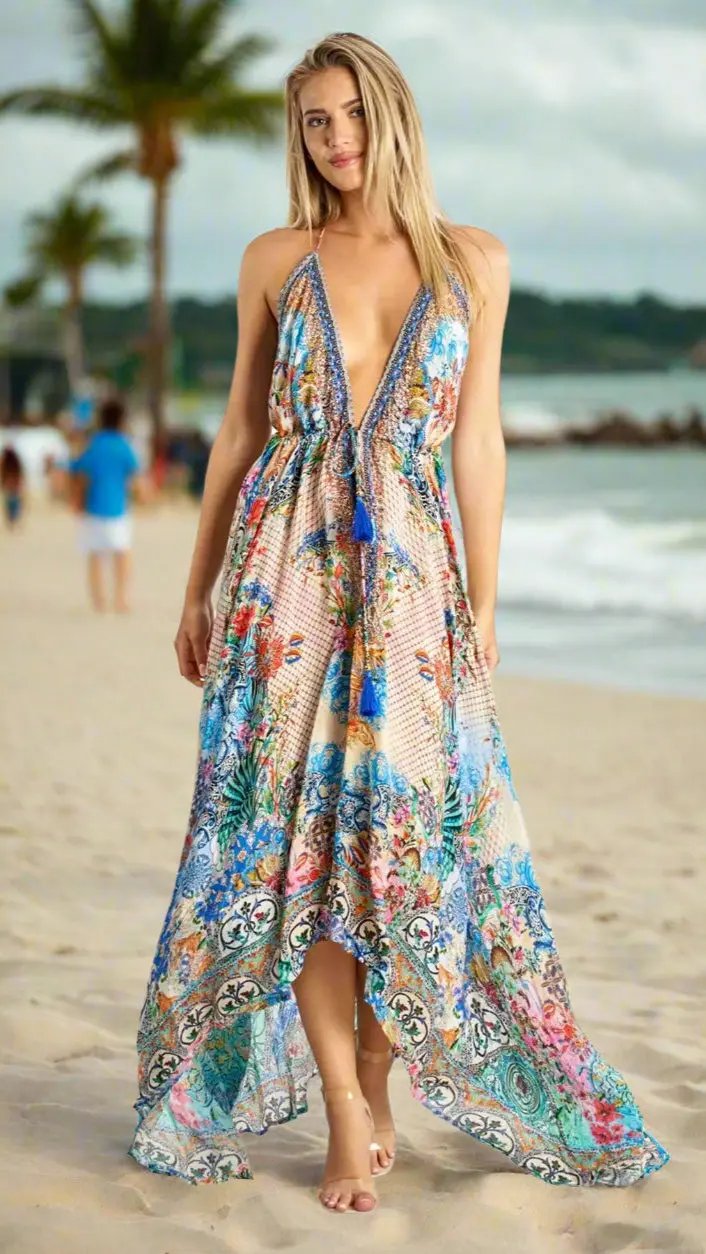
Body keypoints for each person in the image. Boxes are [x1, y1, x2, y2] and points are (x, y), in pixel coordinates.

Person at [128, 32, 669, 1210]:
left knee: (402, 854)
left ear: (393, 118)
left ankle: (381, 1074)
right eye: (314, 123)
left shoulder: (473, 260)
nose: (335, 143)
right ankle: (339, 1107)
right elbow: (238, 431)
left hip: (416, 585)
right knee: (294, 854)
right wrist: (198, 582)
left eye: (350, 117)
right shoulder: (277, 256)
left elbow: (475, 438)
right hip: (286, 580)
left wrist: (479, 600)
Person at [68, 395, 142, 613]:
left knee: (95, 555)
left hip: (93, 508)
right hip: (118, 509)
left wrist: (77, 501)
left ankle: (98, 600)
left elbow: (79, 474)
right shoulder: (124, 446)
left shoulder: (93, 445)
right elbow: (135, 478)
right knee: (123, 554)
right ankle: (121, 598)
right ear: (121, 420)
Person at [0, 445, 25, 529]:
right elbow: (20, 472)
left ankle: (11, 518)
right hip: (14, 482)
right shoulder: (15, 460)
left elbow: (2, 473)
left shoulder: (4, 460)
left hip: (9, 482)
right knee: (14, 501)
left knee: (9, 502)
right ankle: (13, 517)